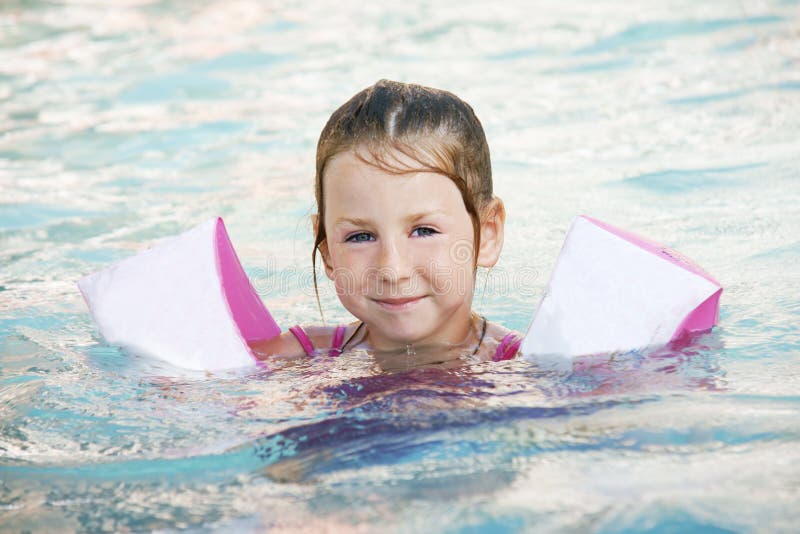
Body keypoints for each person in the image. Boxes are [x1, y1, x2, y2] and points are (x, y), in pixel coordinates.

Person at [250, 79, 522, 366]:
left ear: (488, 234)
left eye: (423, 231)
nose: (392, 270)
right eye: (361, 237)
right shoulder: (296, 358)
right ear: (327, 250)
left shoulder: (524, 368)